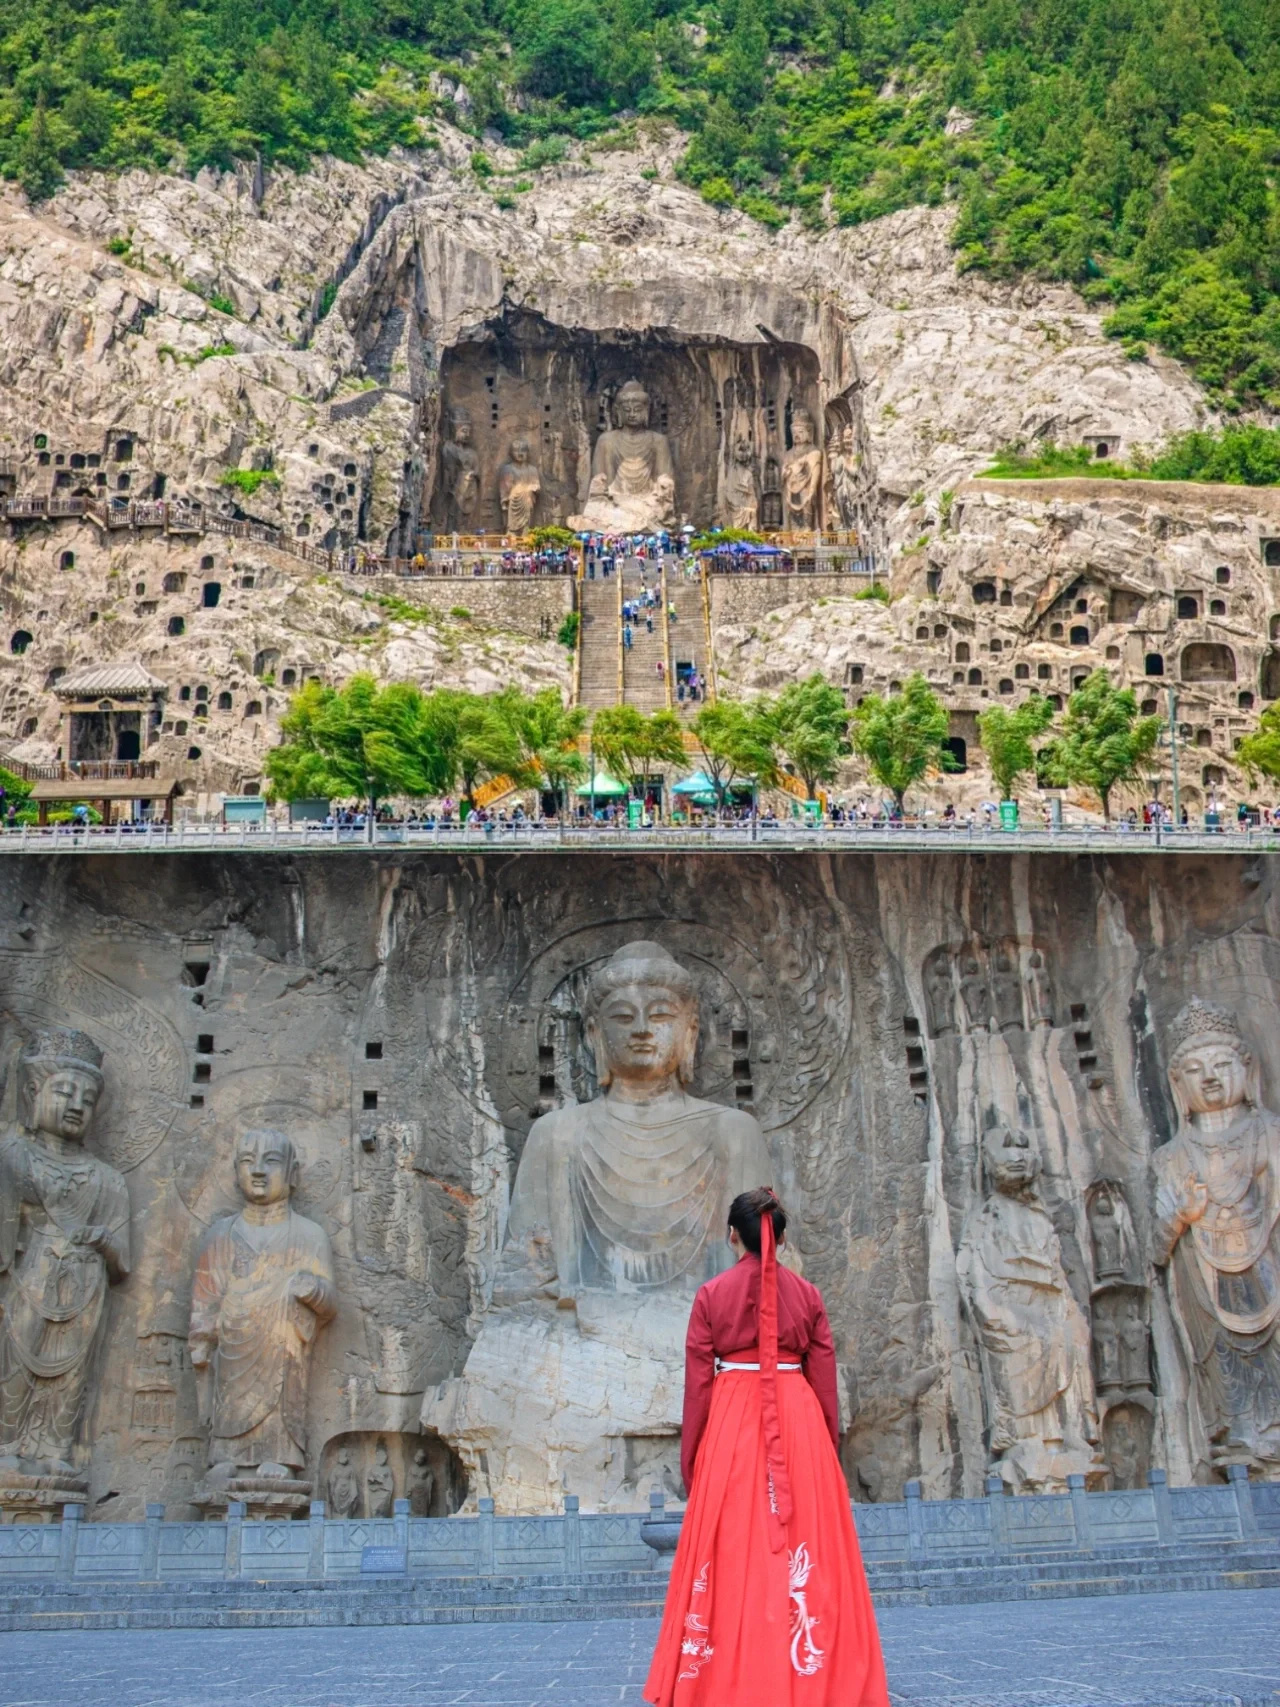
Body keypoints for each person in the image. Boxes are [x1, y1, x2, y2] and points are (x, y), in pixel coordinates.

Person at [645, 1188, 888, 1707]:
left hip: (734, 1416)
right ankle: (817, 1670)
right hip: (798, 1416)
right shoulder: (809, 1295)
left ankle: (726, 1675)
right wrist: (825, 1447)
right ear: (781, 1236)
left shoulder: (712, 1294)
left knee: (734, 1541)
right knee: (805, 1541)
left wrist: (694, 1460)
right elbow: (824, 1382)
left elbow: (698, 1385)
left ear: (733, 1235)